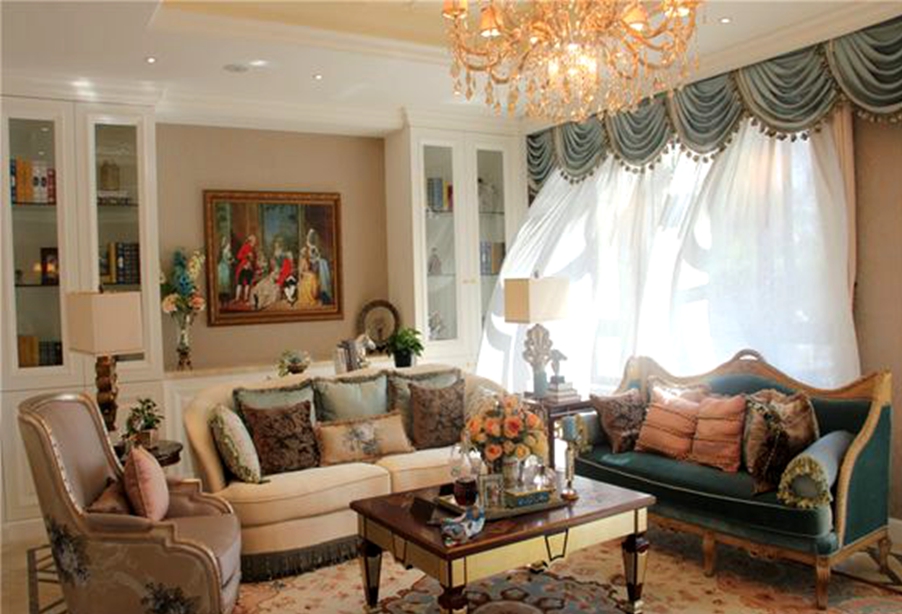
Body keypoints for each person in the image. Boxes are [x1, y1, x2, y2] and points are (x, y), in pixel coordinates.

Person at [234, 234, 257, 304]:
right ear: (250, 241)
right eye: (254, 241)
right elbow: (238, 256)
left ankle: (246, 298)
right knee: (240, 283)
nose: (255, 243)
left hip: (249, 269)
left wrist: (254, 265)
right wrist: (246, 255)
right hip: (243, 268)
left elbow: (254, 260)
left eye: (255, 241)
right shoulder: (244, 247)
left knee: (247, 283)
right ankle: (237, 298)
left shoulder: (253, 250)